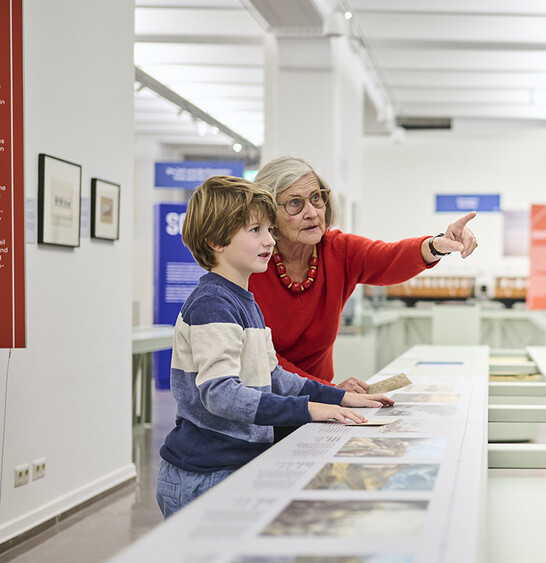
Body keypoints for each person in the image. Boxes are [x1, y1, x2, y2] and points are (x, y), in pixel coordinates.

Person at [157, 175, 395, 519]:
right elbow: (221, 394)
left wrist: (337, 397)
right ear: (215, 241)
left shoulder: (243, 300)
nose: (270, 240)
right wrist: (308, 410)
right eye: (255, 231)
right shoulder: (213, 304)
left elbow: (273, 375)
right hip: (205, 475)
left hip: (233, 466)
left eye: (270, 230)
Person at [250, 157, 479, 394]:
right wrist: (329, 391)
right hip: (265, 408)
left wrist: (437, 245)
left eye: (316, 198)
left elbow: (388, 257)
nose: (311, 212)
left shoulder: (336, 249)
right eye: (295, 203)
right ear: (268, 212)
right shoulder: (252, 264)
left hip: (318, 406)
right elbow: (262, 359)